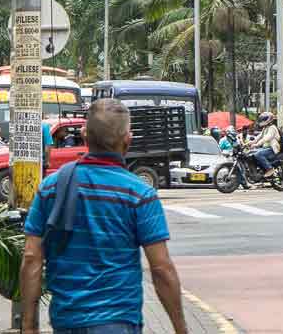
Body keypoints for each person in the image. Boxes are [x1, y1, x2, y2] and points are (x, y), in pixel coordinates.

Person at [19, 99, 187, 334]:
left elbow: (31, 257)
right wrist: (181, 328)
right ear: (127, 141)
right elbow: (161, 268)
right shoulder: (139, 194)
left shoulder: (50, 187)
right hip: (118, 321)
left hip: (66, 321)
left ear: (84, 136)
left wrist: (28, 326)